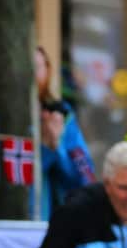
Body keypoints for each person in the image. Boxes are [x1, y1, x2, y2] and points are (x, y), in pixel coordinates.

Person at [36, 47, 96, 222]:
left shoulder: (62, 114)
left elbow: (84, 174)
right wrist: (46, 149)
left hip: (58, 215)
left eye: (38, 67)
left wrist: (56, 147)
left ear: (47, 71)